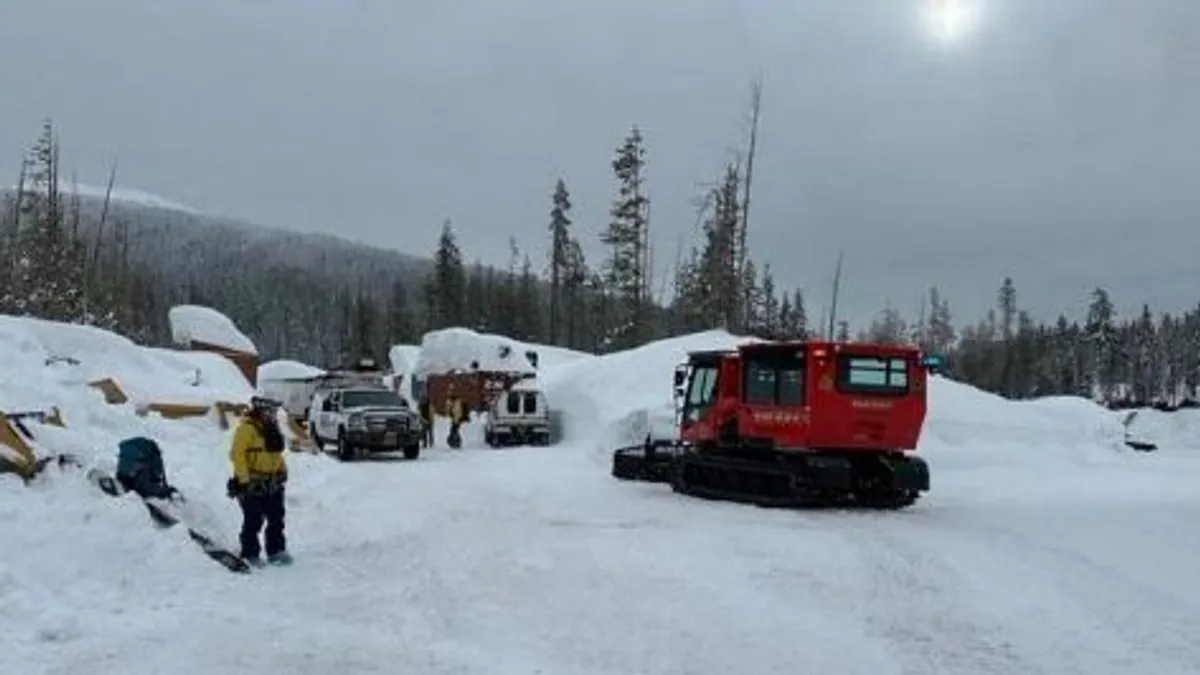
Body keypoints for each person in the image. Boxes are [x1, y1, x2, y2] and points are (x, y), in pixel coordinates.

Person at [227, 396, 291, 566]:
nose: (273, 414)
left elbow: (275, 453)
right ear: (260, 411)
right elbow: (237, 455)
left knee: (276, 517)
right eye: (270, 411)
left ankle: (276, 551)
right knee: (253, 519)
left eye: (275, 411)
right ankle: (250, 553)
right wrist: (244, 479)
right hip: (251, 482)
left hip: (272, 481)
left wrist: (282, 470)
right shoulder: (247, 429)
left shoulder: (272, 428)